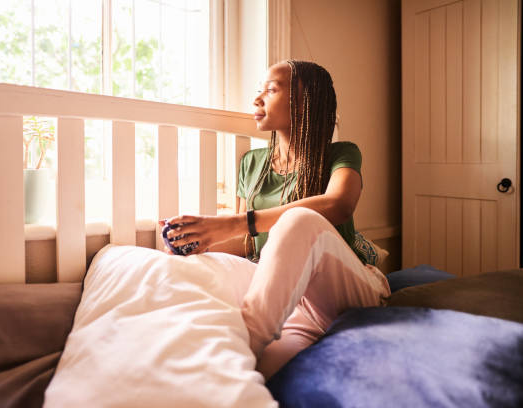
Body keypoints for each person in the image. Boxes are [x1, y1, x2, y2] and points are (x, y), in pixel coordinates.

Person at [159, 60, 390, 380]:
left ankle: (246, 340)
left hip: (347, 291)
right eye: (259, 91)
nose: (257, 99)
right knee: (256, 376)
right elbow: (246, 244)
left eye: (270, 90)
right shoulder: (252, 164)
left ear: (304, 101)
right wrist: (203, 246)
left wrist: (233, 222)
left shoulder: (341, 153)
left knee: (298, 220)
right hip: (295, 309)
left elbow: (339, 204)